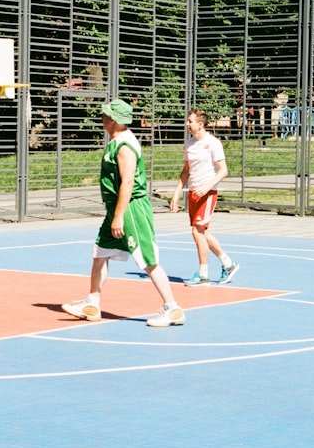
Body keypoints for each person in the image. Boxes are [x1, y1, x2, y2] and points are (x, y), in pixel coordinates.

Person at [62, 98, 186, 328]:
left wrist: (119, 216)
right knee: (100, 254)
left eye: (107, 116)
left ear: (117, 121)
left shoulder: (125, 146)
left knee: (147, 259)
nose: (103, 118)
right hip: (116, 207)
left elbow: (128, 182)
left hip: (131, 208)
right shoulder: (115, 141)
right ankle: (92, 303)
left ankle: (173, 308)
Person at [170, 108, 239, 286]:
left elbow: (224, 170)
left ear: (200, 124)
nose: (187, 124)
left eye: (190, 121)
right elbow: (186, 171)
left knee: (197, 231)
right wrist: (176, 194)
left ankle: (203, 274)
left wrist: (207, 187)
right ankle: (228, 264)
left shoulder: (213, 143)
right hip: (194, 193)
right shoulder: (189, 143)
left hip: (207, 193)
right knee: (203, 232)